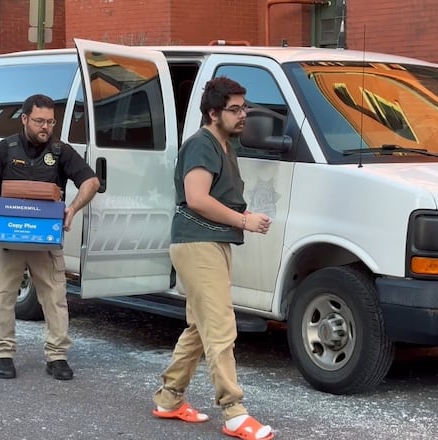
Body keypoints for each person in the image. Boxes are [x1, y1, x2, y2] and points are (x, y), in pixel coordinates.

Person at [151, 77, 275, 440]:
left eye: (244, 108)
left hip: (209, 242)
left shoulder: (223, 145)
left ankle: (169, 399)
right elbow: (196, 198)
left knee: (200, 326)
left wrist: (243, 216)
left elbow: (214, 197)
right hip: (198, 243)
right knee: (221, 326)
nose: (243, 115)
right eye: (234, 109)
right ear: (213, 112)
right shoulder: (202, 145)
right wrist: (244, 220)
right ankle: (234, 412)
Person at [0, 94, 100, 381]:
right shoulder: (4, 149)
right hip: (9, 240)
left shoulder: (61, 151)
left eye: (50, 121)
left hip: (45, 242)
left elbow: (91, 182)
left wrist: (72, 209)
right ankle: (3, 355)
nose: (46, 127)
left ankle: (57, 357)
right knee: (2, 296)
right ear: (25, 119)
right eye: (40, 121)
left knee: (55, 298)